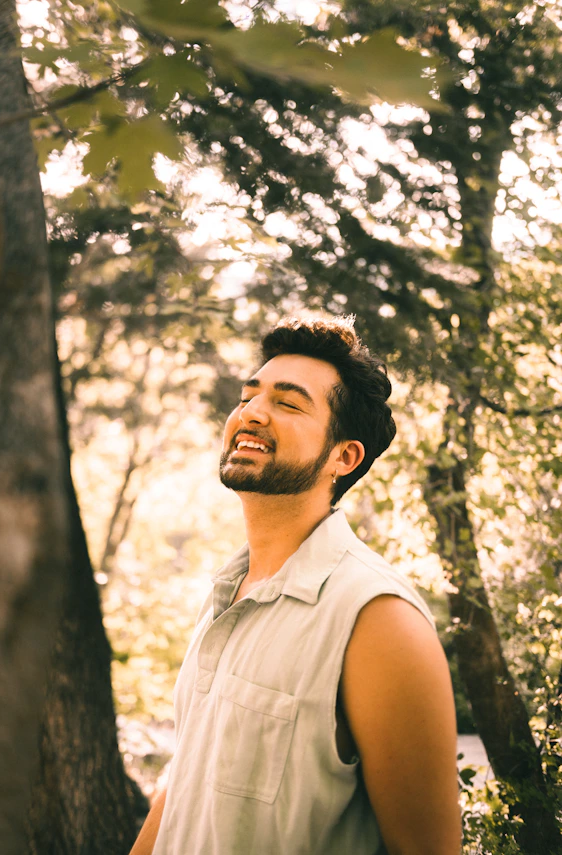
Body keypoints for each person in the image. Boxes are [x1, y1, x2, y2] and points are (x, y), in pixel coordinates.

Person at [130, 316, 462, 855]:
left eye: (288, 403)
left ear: (344, 456)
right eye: (247, 396)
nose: (250, 413)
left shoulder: (378, 618)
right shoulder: (225, 591)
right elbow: (187, 774)